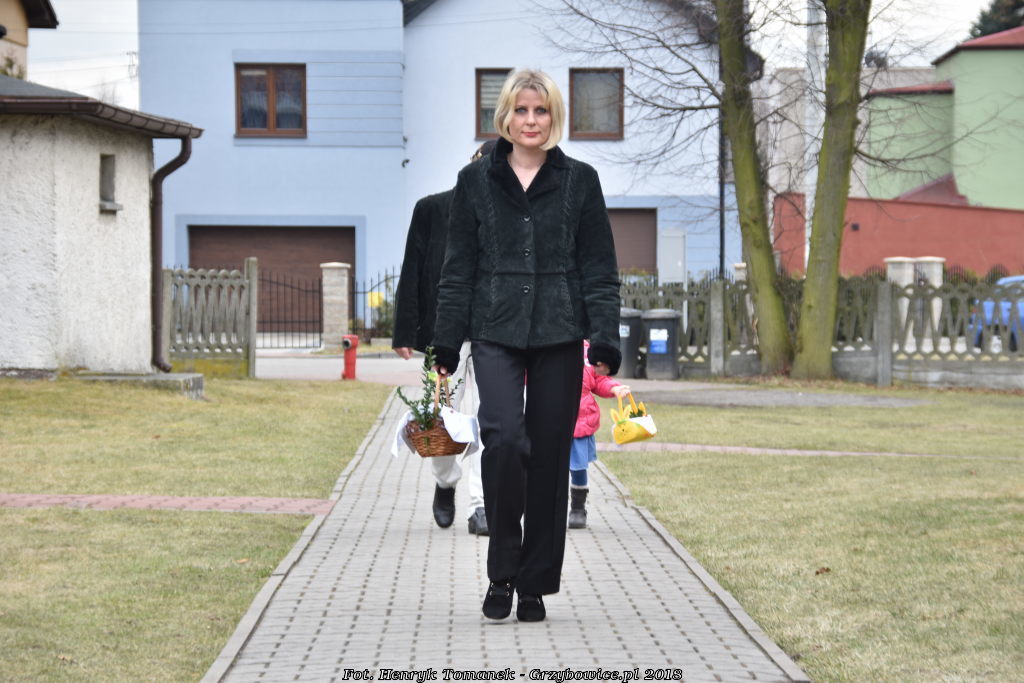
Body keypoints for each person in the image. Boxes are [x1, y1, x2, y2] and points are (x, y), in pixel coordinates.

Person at [430, 68, 621, 623]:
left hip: (559, 331)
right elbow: (457, 270)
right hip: (495, 329)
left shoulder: (580, 180)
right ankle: (502, 572)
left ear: (553, 116)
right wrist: (446, 344)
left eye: (540, 111)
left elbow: (599, 267)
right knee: (505, 440)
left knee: (549, 454)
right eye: (521, 110)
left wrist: (604, 335)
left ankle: (534, 584)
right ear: (505, 117)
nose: (530, 121)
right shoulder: (475, 182)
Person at [392, 142, 496, 536]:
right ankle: (445, 481)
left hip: (492, 334)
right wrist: (405, 331)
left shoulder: (508, 217)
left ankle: (481, 505)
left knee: (491, 421)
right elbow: (412, 269)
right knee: (440, 419)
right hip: (444, 335)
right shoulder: (432, 209)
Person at [569, 341, 630, 530]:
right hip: (552, 419)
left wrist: (613, 387)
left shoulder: (588, 353)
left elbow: (600, 379)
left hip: (580, 423)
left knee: (579, 468)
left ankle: (578, 508)